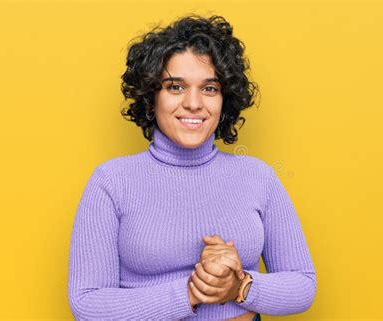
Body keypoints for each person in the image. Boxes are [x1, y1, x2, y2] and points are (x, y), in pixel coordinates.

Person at [67, 14, 316, 320]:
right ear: (151, 97)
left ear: (225, 99)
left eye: (209, 88)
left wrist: (241, 286)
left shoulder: (258, 177)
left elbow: (302, 285)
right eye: (175, 87)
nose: (194, 103)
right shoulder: (112, 182)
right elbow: (88, 305)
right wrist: (192, 292)